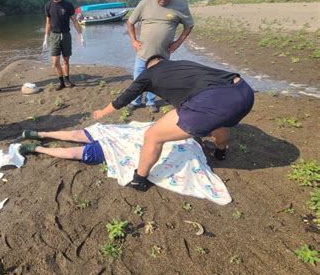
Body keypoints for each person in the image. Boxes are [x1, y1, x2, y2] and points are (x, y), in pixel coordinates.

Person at [93, 55, 255, 191]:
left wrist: (102, 112)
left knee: (152, 136)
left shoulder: (148, 74)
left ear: (149, 67)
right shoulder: (182, 64)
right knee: (220, 122)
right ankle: (220, 152)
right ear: (164, 61)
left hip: (211, 100)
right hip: (243, 91)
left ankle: (139, 179)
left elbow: (124, 98)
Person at [127, 0, 194, 113]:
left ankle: (151, 101)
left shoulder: (181, 5)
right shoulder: (144, 3)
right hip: (142, 54)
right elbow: (130, 22)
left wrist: (178, 43)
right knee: (138, 79)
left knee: (156, 80)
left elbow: (189, 26)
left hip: (162, 56)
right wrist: (133, 40)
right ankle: (136, 100)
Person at [43, 0, 84, 90]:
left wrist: (80, 35)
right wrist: (45, 38)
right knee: (55, 62)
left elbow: (75, 21)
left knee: (66, 60)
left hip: (66, 35)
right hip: (54, 36)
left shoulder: (68, 5)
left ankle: (67, 79)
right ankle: (61, 82)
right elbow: (47, 23)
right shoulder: (48, 6)